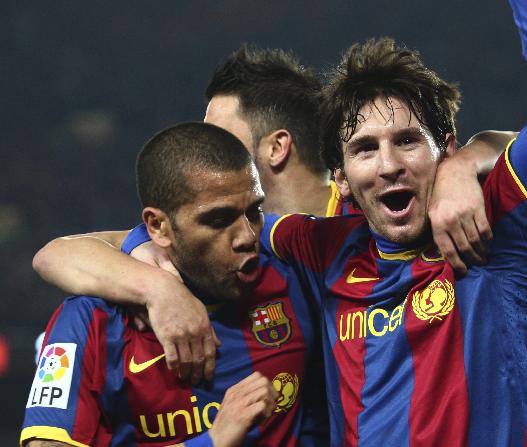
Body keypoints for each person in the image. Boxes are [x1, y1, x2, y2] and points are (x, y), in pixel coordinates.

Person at [32, 45, 515, 384]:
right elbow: (57, 254)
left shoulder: (369, 210)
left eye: (217, 131)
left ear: (277, 146)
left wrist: (463, 163)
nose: (203, 147)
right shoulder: (232, 237)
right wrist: (154, 286)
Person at [259, 0, 527, 444]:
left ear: (446, 149)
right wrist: (149, 274)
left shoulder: (504, 229)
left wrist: (470, 161)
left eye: (407, 140)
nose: (388, 165)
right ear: (340, 179)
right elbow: (205, 227)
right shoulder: (324, 249)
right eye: (364, 149)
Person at [21, 123, 315, 447]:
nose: (247, 236)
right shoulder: (88, 320)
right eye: (218, 220)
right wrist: (212, 441)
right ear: (159, 227)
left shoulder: (293, 279)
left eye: (254, 211)